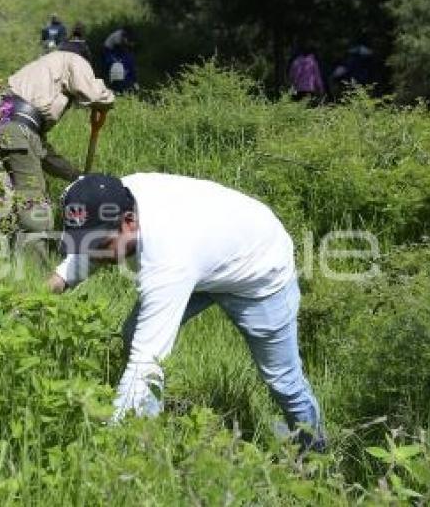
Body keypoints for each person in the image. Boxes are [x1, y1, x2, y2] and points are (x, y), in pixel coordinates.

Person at [48, 173, 326, 452]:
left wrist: (111, 446)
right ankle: (148, 427)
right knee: (133, 334)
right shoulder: (111, 195)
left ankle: (314, 453)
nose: (92, 255)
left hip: (258, 271)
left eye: (98, 247)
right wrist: (49, 288)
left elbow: (147, 360)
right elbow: (89, 245)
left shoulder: (168, 257)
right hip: (206, 252)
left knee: (283, 380)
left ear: (129, 222)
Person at [0, 51, 114, 259]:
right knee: (34, 202)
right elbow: (95, 94)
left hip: (5, 125)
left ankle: (8, 258)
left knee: (8, 199)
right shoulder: (72, 58)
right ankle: (34, 270)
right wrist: (107, 101)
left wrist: (76, 175)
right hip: (17, 129)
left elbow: (42, 153)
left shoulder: (35, 79)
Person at [102, 27, 137, 93]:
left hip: (115, 48)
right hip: (108, 48)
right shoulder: (118, 36)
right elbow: (120, 47)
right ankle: (108, 78)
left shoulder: (123, 34)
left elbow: (126, 45)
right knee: (111, 62)